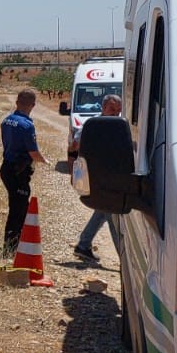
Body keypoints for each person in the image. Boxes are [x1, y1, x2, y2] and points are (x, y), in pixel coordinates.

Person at [0, 89, 50, 257]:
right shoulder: (27, 125)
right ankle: (10, 248)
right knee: (18, 210)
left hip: (7, 168)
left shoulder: (7, 120)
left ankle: (14, 244)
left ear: (17, 102)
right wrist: (45, 161)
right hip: (18, 172)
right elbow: (33, 153)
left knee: (17, 206)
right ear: (33, 105)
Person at [73, 94, 123, 262]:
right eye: (112, 109)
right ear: (103, 108)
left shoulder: (120, 125)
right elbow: (76, 143)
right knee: (111, 213)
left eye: (118, 110)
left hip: (113, 176)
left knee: (103, 211)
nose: (115, 113)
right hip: (99, 176)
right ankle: (123, 257)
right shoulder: (93, 124)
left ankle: (83, 245)